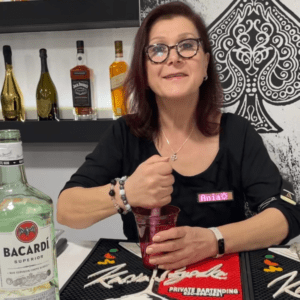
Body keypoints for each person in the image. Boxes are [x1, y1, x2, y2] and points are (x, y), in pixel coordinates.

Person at [57, 1, 300, 270]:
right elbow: (67, 210)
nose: (173, 58)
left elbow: (285, 215)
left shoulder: (238, 133)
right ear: (145, 70)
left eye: (186, 45)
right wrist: (126, 193)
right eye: (158, 49)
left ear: (206, 62)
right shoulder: (125, 133)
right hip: (146, 278)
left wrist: (213, 240)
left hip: (224, 276)